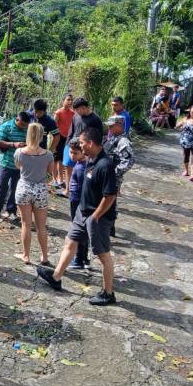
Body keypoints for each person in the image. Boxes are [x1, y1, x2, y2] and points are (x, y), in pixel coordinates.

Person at [37, 127, 118, 306]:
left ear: (90, 143)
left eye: (82, 143)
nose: (80, 146)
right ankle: (56, 277)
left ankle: (108, 293)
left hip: (98, 218)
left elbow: (110, 195)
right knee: (70, 242)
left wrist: (96, 216)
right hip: (83, 212)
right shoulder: (91, 159)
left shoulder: (105, 165)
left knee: (103, 255)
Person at [13, 122, 55, 266]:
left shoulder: (19, 152)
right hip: (40, 189)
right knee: (41, 226)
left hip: (24, 187)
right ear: (42, 135)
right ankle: (44, 256)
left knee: (26, 223)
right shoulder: (48, 154)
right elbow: (50, 172)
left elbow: (18, 166)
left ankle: (26, 256)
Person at [0, 111, 30, 218]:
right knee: (1, 186)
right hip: (6, 163)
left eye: (26, 125)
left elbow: (32, 142)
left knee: (15, 188)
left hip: (20, 165)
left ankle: (11, 210)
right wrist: (14, 144)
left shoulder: (28, 129)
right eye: (22, 125)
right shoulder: (7, 126)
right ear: (17, 120)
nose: (24, 127)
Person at [62, 98, 103, 198]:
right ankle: (68, 189)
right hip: (72, 145)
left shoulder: (95, 119)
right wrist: (67, 145)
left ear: (84, 108)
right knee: (68, 167)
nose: (76, 112)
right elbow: (71, 131)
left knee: (82, 169)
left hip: (85, 148)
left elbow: (98, 137)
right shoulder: (76, 116)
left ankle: (82, 191)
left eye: (77, 109)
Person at [103, 115, 135, 237]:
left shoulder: (123, 142)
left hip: (113, 178)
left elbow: (129, 161)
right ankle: (108, 227)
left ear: (120, 125)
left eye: (112, 126)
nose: (109, 128)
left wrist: (115, 173)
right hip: (106, 176)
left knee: (110, 203)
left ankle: (109, 228)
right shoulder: (113, 138)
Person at [66, 140, 90, 269]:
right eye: (70, 152)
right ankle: (84, 257)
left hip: (78, 201)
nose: (72, 155)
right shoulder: (81, 163)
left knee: (78, 230)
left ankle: (78, 259)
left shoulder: (81, 168)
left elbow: (82, 188)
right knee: (83, 229)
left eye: (75, 153)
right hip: (76, 199)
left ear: (82, 152)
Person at [53, 94, 75, 191]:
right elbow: (53, 126)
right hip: (59, 137)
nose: (70, 102)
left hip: (68, 138)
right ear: (63, 101)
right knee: (56, 159)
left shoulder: (73, 113)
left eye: (71, 100)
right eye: (68, 100)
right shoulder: (58, 112)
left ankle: (61, 179)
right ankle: (55, 179)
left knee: (63, 159)